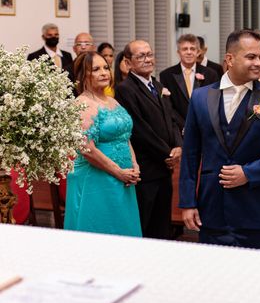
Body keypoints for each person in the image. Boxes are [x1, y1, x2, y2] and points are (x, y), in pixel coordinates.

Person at [179, 29, 260, 250]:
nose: (259, 63)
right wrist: (187, 203)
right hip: (212, 208)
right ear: (229, 59)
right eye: (251, 57)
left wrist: (248, 173)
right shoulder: (201, 98)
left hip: (255, 210)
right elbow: (191, 154)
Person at [64, 51, 142, 237]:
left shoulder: (112, 101)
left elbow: (125, 136)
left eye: (106, 68)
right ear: (84, 75)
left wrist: (134, 165)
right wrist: (118, 171)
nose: (104, 73)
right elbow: (88, 149)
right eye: (96, 69)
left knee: (123, 230)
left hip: (124, 177)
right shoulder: (81, 104)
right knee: (101, 230)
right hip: (97, 178)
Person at [115, 40, 182, 239]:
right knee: (145, 223)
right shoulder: (125, 89)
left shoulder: (159, 86)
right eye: (141, 56)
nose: (147, 59)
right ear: (128, 62)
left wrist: (178, 145)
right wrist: (166, 153)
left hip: (164, 168)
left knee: (163, 224)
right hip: (146, 167)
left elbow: (172, 119)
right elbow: (139, 129)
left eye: (150, 54)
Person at [160, 34, 218, 132]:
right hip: (178, 129)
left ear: (198, 52)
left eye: (192, 49)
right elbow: (167, 105)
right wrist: (184, 125)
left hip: (205, 127)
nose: (189, 52)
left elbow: (214, 102)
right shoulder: (166, 75)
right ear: (178, 52)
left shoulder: (210, 74)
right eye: (185, 49)